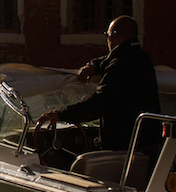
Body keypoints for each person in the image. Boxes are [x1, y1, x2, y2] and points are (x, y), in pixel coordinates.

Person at [37, 15, 160, 151]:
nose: (108, 40)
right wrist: (93, 65)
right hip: (148, 140)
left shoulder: (120, 65)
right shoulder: (143, 58)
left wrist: (61, 114)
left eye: (107, 36)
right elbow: (109, 60)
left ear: (115, 36)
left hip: (126, 145)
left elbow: (99, 104)